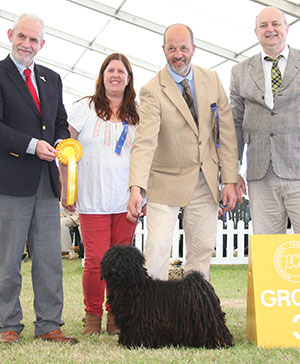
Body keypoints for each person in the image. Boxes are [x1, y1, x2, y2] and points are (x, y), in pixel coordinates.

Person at [127, 24, 239, 281]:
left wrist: (230, 179)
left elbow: (226, 133)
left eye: (184, 48)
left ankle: (195, 315)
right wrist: (136, 187)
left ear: (193, 49)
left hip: (205, 180)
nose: (178, 54)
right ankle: (154, 317)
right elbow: (145, 142)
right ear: (163, 50)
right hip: (165, 181)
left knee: (201, 252)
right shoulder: (152, 90)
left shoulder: (211, 79)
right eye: (172, 48)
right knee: (156, 250)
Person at [0, 14, 77, 344]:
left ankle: (49, 324)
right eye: (22, 37)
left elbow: (60, 121)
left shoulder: (52, 78)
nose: (26, 44)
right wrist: (32, 146)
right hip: (11, 181)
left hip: (47, 184)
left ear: (42, 44)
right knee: (8, 258)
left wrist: (62, 144)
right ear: (10, 35)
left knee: (49, 260)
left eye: (33, 40)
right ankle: (7, 324)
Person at [60, 53, 139, 335]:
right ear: (102, 75)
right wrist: (65, 182)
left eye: (121, 71)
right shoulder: (84, 107)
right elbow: (65, 147)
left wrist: (140, 193)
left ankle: (116, 315)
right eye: (110, 70)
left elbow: (144, 157)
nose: (115, 75)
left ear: (129, 78)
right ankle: (92, 316)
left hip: (126, 202)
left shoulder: (137, 113)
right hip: (92, 200)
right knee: (95, 262)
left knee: (122, 264)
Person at [230, 6, 300, 234]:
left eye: (275, 24)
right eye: (264, 25)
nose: (270, 29)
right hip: (260, 175)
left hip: (297, 168)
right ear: (256, 32)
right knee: (269, 252)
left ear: (287, 29)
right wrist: (233, 171)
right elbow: (235, 123)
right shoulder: (240, 71)